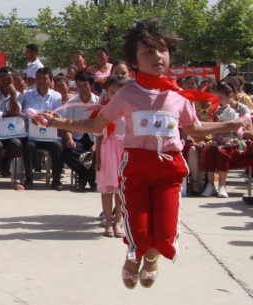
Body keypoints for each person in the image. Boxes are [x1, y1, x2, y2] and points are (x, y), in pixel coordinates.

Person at [32, 18, 248, 289]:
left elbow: (194, 129)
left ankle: (152, 257)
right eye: (148, 51)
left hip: (169, 168)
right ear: (134, 61)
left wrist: (232, 124)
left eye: (162, 50)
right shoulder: (127, 95)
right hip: (137, 168)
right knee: (140, 226)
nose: (157, 56)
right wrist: (56, 122)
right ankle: (134, 254)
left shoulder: (178, 96)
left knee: (166, 229)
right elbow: (96, 125)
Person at [201, 82, 251, 198]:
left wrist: (234, 132)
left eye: (220, 98)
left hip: (238, 144)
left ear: (230, 96)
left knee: (223, 154)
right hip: (221, 141)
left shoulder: (243, 110)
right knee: (210, 151)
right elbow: (214, 132)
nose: (217, 101)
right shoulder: (218, 111)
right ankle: (210, 185)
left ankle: (222, 186)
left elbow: (250, 133)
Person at [94, 77, 128, 237]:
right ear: (106, 93)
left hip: (123, 152)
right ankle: (108, 220)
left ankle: (118, 221)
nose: (115, 95)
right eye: (112, 92)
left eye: (119, 92)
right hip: (107, 152)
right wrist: (98, 158)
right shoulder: (102, 111)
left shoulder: (129, 112)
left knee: (120, 189)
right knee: (107, 189)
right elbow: (98, 136)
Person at [20, 67, 64, 190]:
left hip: (50, 135)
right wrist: (42, 115)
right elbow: (27, 112)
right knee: (28, 146)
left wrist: (53, 114)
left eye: (45, 79)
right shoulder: (28, 94)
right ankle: (29, 179)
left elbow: (60, 115)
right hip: (33, 134)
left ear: (50, 80)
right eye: (38, 78)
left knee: (58, 147)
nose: (41, 81)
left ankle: (56, 180)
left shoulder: (56, 96)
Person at [59, 71, 99, 191]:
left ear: (91, 85)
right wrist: (69, 139)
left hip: (94, 137)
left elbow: (102, 126)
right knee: (67, 153)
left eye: (85, 85)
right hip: (78, 137)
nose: (82, 89)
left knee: (99, 153)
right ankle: (89, 177)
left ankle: (83, 179)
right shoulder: (72, 103)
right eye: (79, 85)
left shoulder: (98, 102)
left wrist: (96, 144)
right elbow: (67, 125)